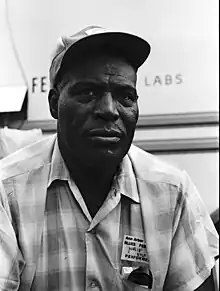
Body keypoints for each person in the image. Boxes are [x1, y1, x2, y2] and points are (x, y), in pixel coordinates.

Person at [0, 26, 218, 291]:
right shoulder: (8, 190)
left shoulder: (171, 191)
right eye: (88, 93)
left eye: (125, 96)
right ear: (54, 103)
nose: (108, 110)